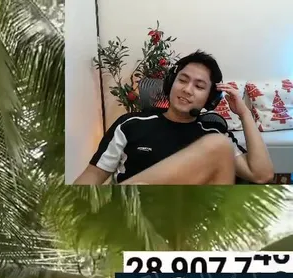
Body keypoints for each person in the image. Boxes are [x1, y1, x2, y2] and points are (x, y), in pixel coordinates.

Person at [74, 51, 274, 186]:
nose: (187, 90)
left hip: (187, 222)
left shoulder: (213, 133)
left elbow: (261, 174)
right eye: (183, 80)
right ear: (170, 83)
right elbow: (94, 174)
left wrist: (244, 113)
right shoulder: (130, 124)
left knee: (218, 144)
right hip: (134, 215)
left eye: (199, 86)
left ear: (210, 98)